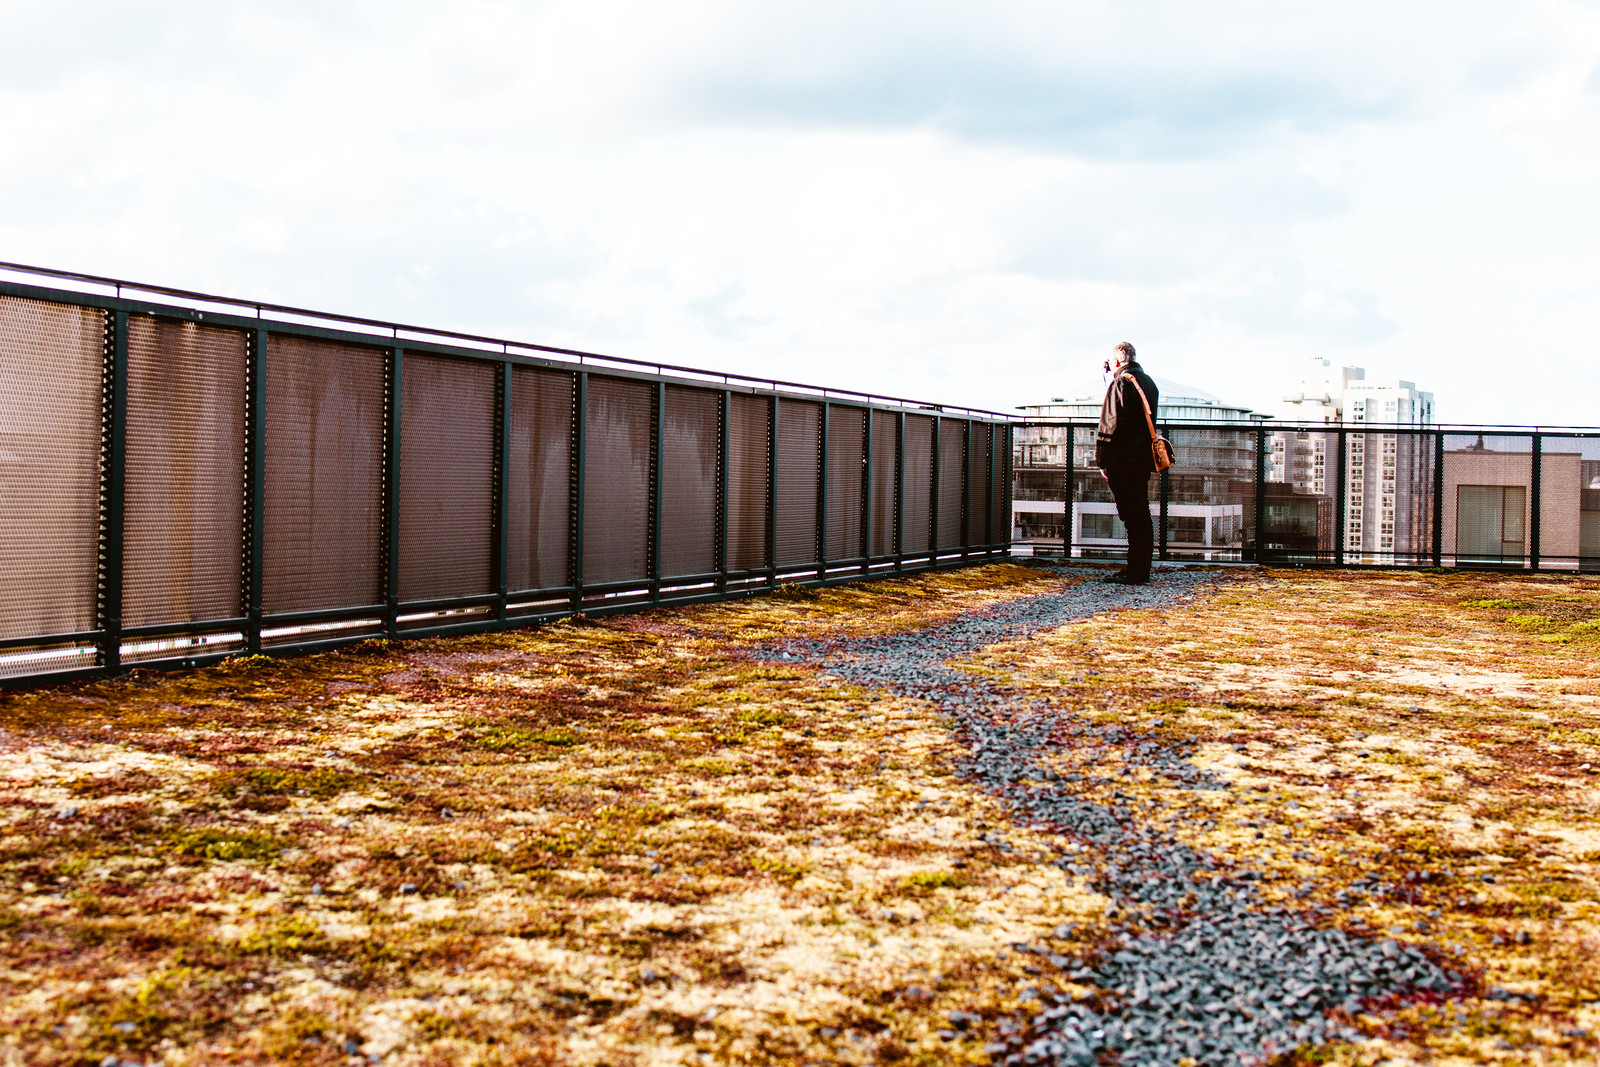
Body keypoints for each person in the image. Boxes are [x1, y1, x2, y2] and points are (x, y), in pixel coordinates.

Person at [1095, 342, 1160, 585]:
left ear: (1118, 361)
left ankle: (1135, 573)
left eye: (1110, 363)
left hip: (1123, 461)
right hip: (1142, 460)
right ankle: (1141, 569)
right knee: (1141, 515)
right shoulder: (1148, 382)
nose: (1109, 367)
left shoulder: (1121, 382)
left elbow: (1111, 424)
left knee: (1132, 517)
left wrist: (1103, 460)